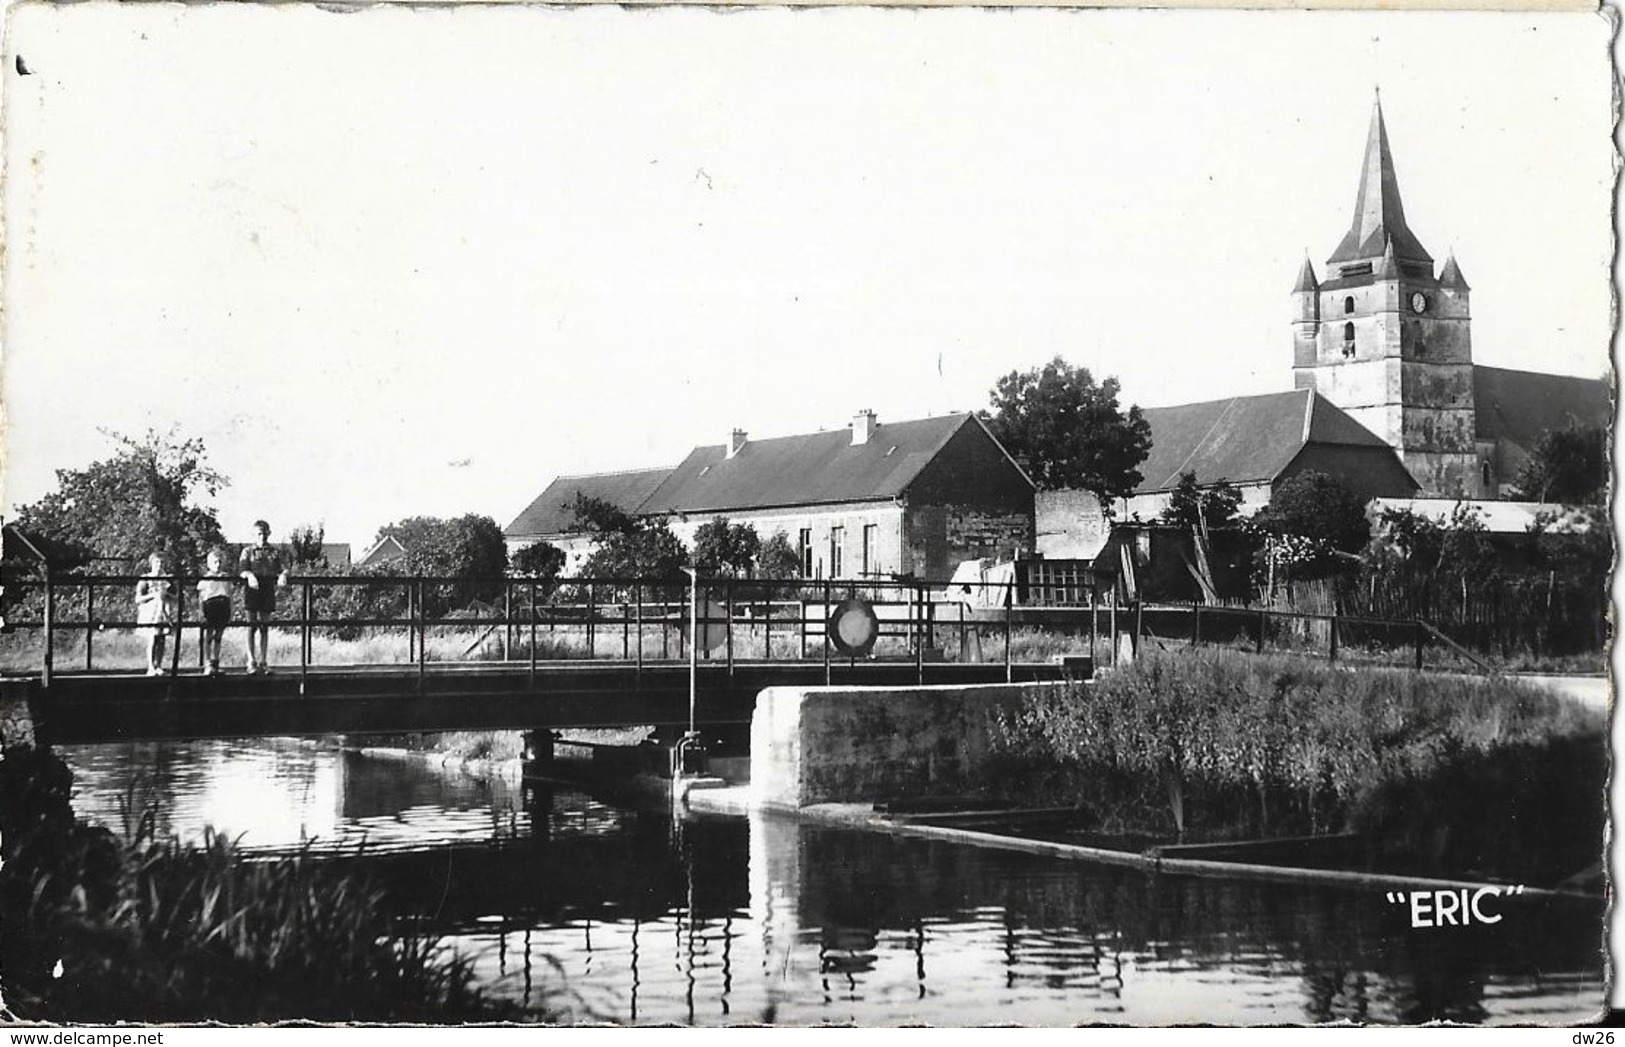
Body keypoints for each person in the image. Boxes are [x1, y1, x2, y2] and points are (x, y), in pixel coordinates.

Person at [239, 520, 288, 674]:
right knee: (251, 626)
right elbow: (242, 570)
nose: (262, 537)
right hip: (252, 589)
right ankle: (251, 661)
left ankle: (263, 661)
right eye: (259, 533)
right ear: (254, 534)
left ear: (269, 533)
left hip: (267, 588)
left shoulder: (274, 552)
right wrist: (250, 575)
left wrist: (283, 575)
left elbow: (285, 568)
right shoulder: (248, 551)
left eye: (265, 533)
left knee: (264, 627)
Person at [135, 551, 174, 676]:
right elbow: (138, 599)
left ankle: (159, 665)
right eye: (157, 562)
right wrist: (153, 595)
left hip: (163, 613)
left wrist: (166, 594)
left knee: (161, 639)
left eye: (162, 562)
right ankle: (151, 666)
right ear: (152, 563)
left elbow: (176, 596)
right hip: (150, 613)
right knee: (152, 639)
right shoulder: (145, 579)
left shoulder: (168, 579)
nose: (159, 565)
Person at [196, 547, 234, 676]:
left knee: (218, 636)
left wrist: (231, 611)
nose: (217, 565)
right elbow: (201, 597)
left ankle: (216, 662)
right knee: (209, 636)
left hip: (222, 606)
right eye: (214, 562)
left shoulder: (225, 578)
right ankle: (208, 663)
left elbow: (230, 595)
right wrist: (201, 612)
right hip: (210, 606)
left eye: (219, 562)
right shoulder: (206, 579)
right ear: (209, 564)